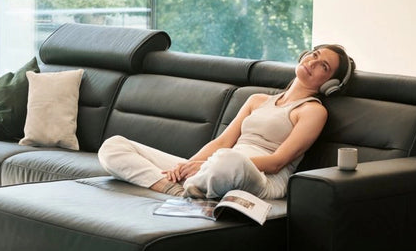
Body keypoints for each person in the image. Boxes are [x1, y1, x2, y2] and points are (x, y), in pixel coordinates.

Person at [98, 44, 354, 200]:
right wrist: (188, 165)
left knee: (228, 160)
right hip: (215, 168)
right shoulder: (257, 99)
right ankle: (174, 189)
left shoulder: (312, 111)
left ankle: (194, 184)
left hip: (260, 177)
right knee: (114, 146)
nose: (312, 62)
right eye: (314, 55)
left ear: (330, 84)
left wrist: (208, 164)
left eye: (323, 66)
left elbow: (277, 163)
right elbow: (223, 141)